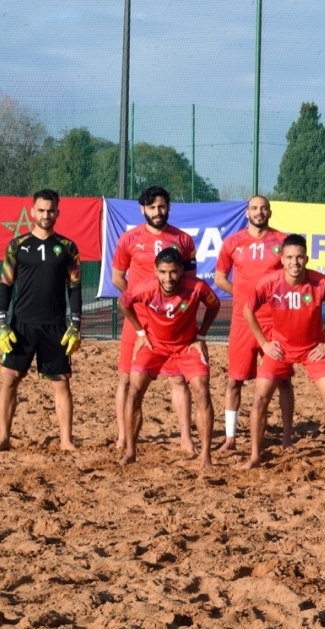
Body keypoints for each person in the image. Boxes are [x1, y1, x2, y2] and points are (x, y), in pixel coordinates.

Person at [241, 234, 325, 471]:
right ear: (282, 259)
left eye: (299, 257)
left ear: (307, 258)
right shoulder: (269, 283)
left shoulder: (322, 283)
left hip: (313, 349)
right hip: (279, 349)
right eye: (290, 257)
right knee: (260, 398)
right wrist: (263, 343)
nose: (295, 262)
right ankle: (254, 456)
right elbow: (247, 310)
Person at [0, 189, 82, 452]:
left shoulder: (67, 247)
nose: (46, 215)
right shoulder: (17, 245)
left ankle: (66, 440)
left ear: (58, 212)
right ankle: (3, 437)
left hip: (56, 326)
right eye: (41, 210)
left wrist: (75, 324)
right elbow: (5, 285)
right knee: (9, 380)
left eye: (51, 210)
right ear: (32, 212)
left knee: (61, 382)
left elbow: (74, 288)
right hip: (21, 326)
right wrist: (1, 322)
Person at [111, 186, 198, 454]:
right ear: (142, 210)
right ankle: (124, 437)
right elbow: (117, 278)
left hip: (172, 322)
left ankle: (186, 438)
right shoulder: (129, 239)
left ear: (168, 207)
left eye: (162, 206)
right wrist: (135, 305)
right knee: (126, 379)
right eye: (152, 207)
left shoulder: (183, 240)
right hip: (138, 322)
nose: (157, 212)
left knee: (179, 380)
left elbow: (192, 282)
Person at [118, 248, 220, 468]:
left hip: (187, 345)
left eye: (173, 272)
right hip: (155, 345)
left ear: (181, 270)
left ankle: (205, 456)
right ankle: (130, 452)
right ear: (155, 270)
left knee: (202, 391)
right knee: (134, 391)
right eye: (163, 272)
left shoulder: (196, 287)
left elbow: (214, 305)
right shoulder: (146, 288)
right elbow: (124, 303)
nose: (168, 278)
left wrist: (201, 335)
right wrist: (140, 333)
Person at [215, 195, 295, 451]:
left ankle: (286, 438)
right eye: (254, 208)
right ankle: (230, 438)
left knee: (283, 380)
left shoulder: (282, 241)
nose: (259, 212)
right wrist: (242, 296)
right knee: (234, 380)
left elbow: (293, 275)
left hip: (275, 322)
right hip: (242, 321)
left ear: (270, 212)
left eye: (263, 208)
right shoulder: (233, 242)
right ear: (247, 213)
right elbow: (219, 278)